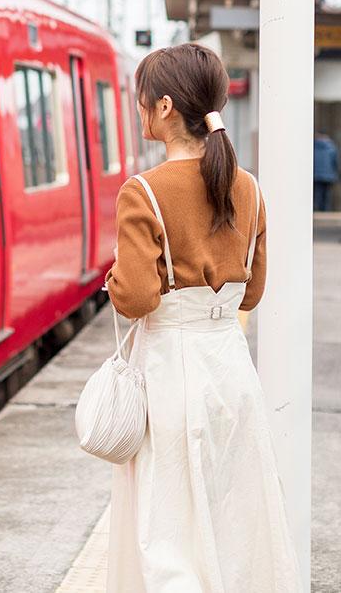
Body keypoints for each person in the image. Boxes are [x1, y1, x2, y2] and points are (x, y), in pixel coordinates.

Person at [105, 43, 299, 592]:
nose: (139, 107)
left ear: (164, 107)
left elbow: (138, 298)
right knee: (235, 516)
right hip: (231, 372)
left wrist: (116, 280)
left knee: (167, 530)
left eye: (143, 99)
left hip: (170, 372)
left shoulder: (142, 191)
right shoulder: (250, 188)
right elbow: (251, 294)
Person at [315, 130, 339, 212]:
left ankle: (317, 209)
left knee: (318, 194)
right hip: (328, 175)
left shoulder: (313, 147)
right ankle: (325, 210)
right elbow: (335, 162)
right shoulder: (331, 147)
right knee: (326, 195)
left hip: (316, 175)